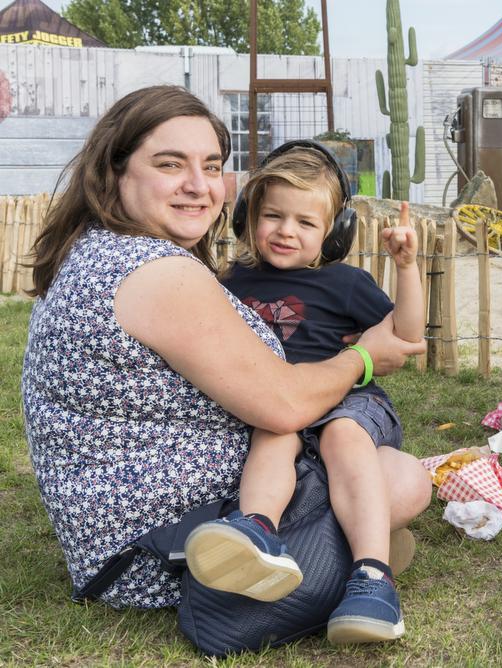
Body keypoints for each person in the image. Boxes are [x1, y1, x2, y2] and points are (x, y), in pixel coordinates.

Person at [21, 86, 428, 614]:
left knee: (364, 460)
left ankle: (338, 550)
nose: (197, 186)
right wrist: (363, 358)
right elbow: (283, 405)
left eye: (211, 166)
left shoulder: (101, 252)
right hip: (172, 551)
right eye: (170, 164)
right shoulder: (155, 273)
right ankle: (358, 562)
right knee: (402, 478)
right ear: (114, 171)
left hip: (122, 545)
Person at [183, 143, 424, 644]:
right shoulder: (230, 280)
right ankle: (257, 533)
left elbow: (407, 335)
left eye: (306, 223)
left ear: (334, 234)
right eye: (272, 215)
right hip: (282, 404)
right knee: (275, 428)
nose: (286, 231)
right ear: (249, 218)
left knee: (341, 437)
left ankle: (373, 578)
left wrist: (405, 266)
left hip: (348, 402)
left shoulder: (345, 282)